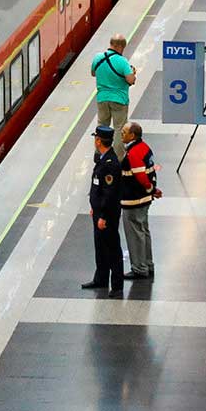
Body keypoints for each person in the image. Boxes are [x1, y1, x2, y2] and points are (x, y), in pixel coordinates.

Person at [81, 126, 125, 297]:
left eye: (95, 138)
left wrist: (104, 216)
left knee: (112, 248)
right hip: (99, 212)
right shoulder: (104, 159)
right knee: (100, 247)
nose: (95, 140)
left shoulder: (110, 164)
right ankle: (100, 278)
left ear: (99, 141)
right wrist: (95, 209)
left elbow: (110, 193)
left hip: (107, 216)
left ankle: (117, 285)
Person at [120, 122, 161, 280]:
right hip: (144, 199)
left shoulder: (134, 152)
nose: (121, 134)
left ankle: (139, 268)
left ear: (132, 135)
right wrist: (153, 191)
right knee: (143, 231)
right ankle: (148, 264)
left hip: (133, 200)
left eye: (124, 132)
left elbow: (141, 176)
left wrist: (150, 189)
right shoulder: (145, 147)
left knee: (135, 234)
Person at [91, 35, 137, 157]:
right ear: (120, 46)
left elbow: (93, 73)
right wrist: (132, 73)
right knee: (119, 129)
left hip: (102, 98)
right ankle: (117, 158)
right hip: (119, 99)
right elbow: (130, 80)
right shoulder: (123, 61)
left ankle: (99, 153)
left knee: (101, 126)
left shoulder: (98, 58)